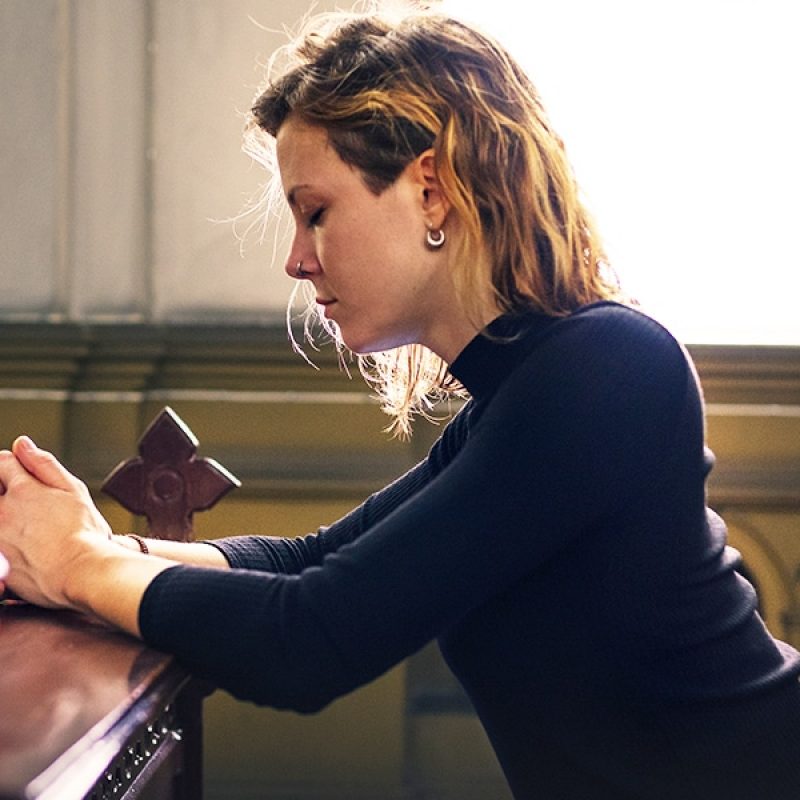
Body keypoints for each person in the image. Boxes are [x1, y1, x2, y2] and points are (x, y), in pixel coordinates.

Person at [1, 7, 799, 799]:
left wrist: (76, 566)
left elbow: (309, 638)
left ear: (431, 189)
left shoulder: (607, 367)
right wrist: (92, 548)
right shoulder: (519, 395)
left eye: (316, 211)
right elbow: (302, 559)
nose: (295, 259)